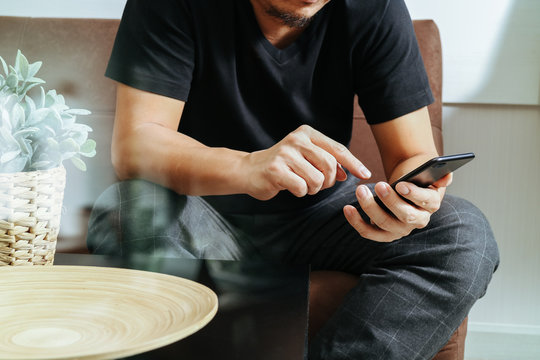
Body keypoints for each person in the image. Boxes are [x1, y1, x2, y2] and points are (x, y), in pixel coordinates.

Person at [87, 0, 500, 358]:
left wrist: (412, 202)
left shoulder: (373, 7)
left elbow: (412, 154)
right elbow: (135, 147)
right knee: (129, 206)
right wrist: (249, 167)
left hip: (323, 219)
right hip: (200, 213)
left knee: (463, 233)